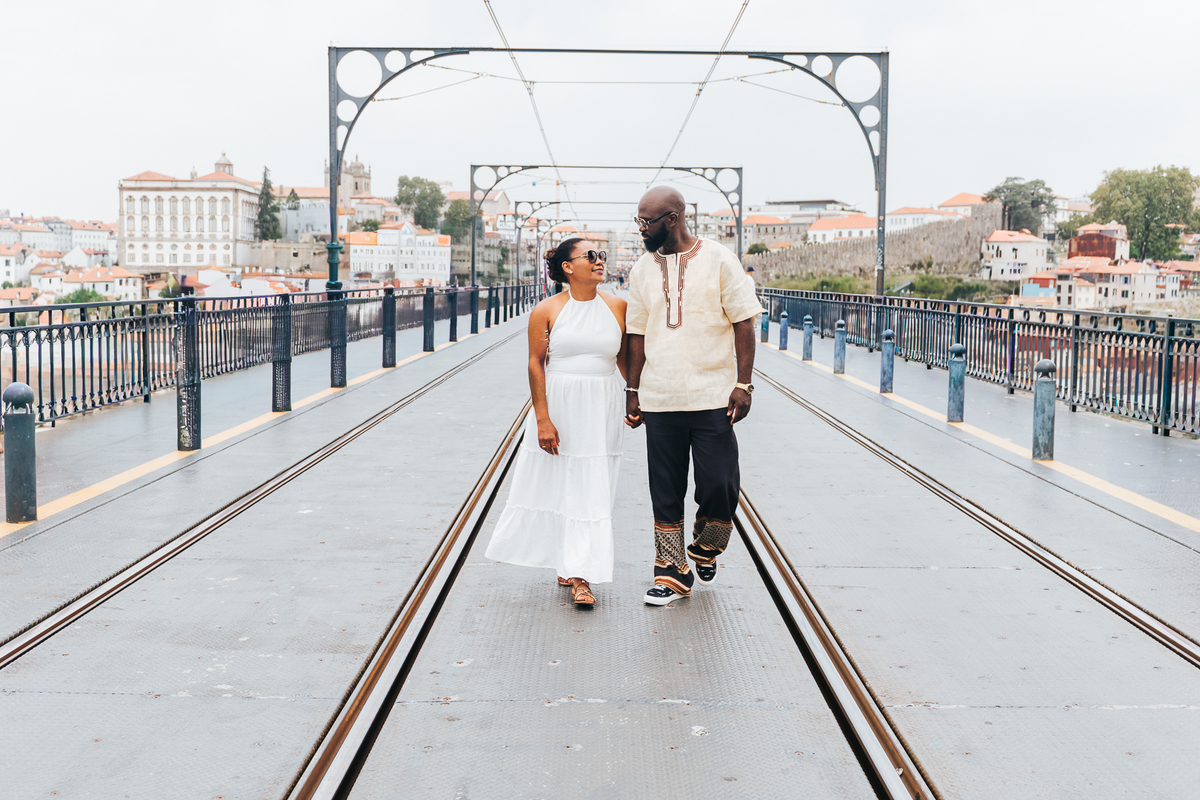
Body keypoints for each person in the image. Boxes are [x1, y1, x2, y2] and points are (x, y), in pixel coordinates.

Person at [624, 187, 763, 606]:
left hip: (713, 395)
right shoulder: (640, 270)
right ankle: (670, 573)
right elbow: (636, 333)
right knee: (664, 488)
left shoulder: (719, 258)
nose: (641, 230)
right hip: (661, 396)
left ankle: (707, 543)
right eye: (639, 222)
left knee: (719, 482)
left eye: (646, 222)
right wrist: (632, 390)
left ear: (673, 218)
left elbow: (743, 322)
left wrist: (743, 383)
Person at [485, 238, 628, 607]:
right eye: (591, 256)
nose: (600, 261)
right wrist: (542, 418)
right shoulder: (546, 310)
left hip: (602, 404)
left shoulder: (618, 306)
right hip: (562, 403)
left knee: (593, 483)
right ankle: (575, 569)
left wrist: (637, 397)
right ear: (568, 267)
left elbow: (625, 361)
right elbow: (536, 363)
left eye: (602, 256)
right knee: (563, 483)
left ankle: (579, 568)